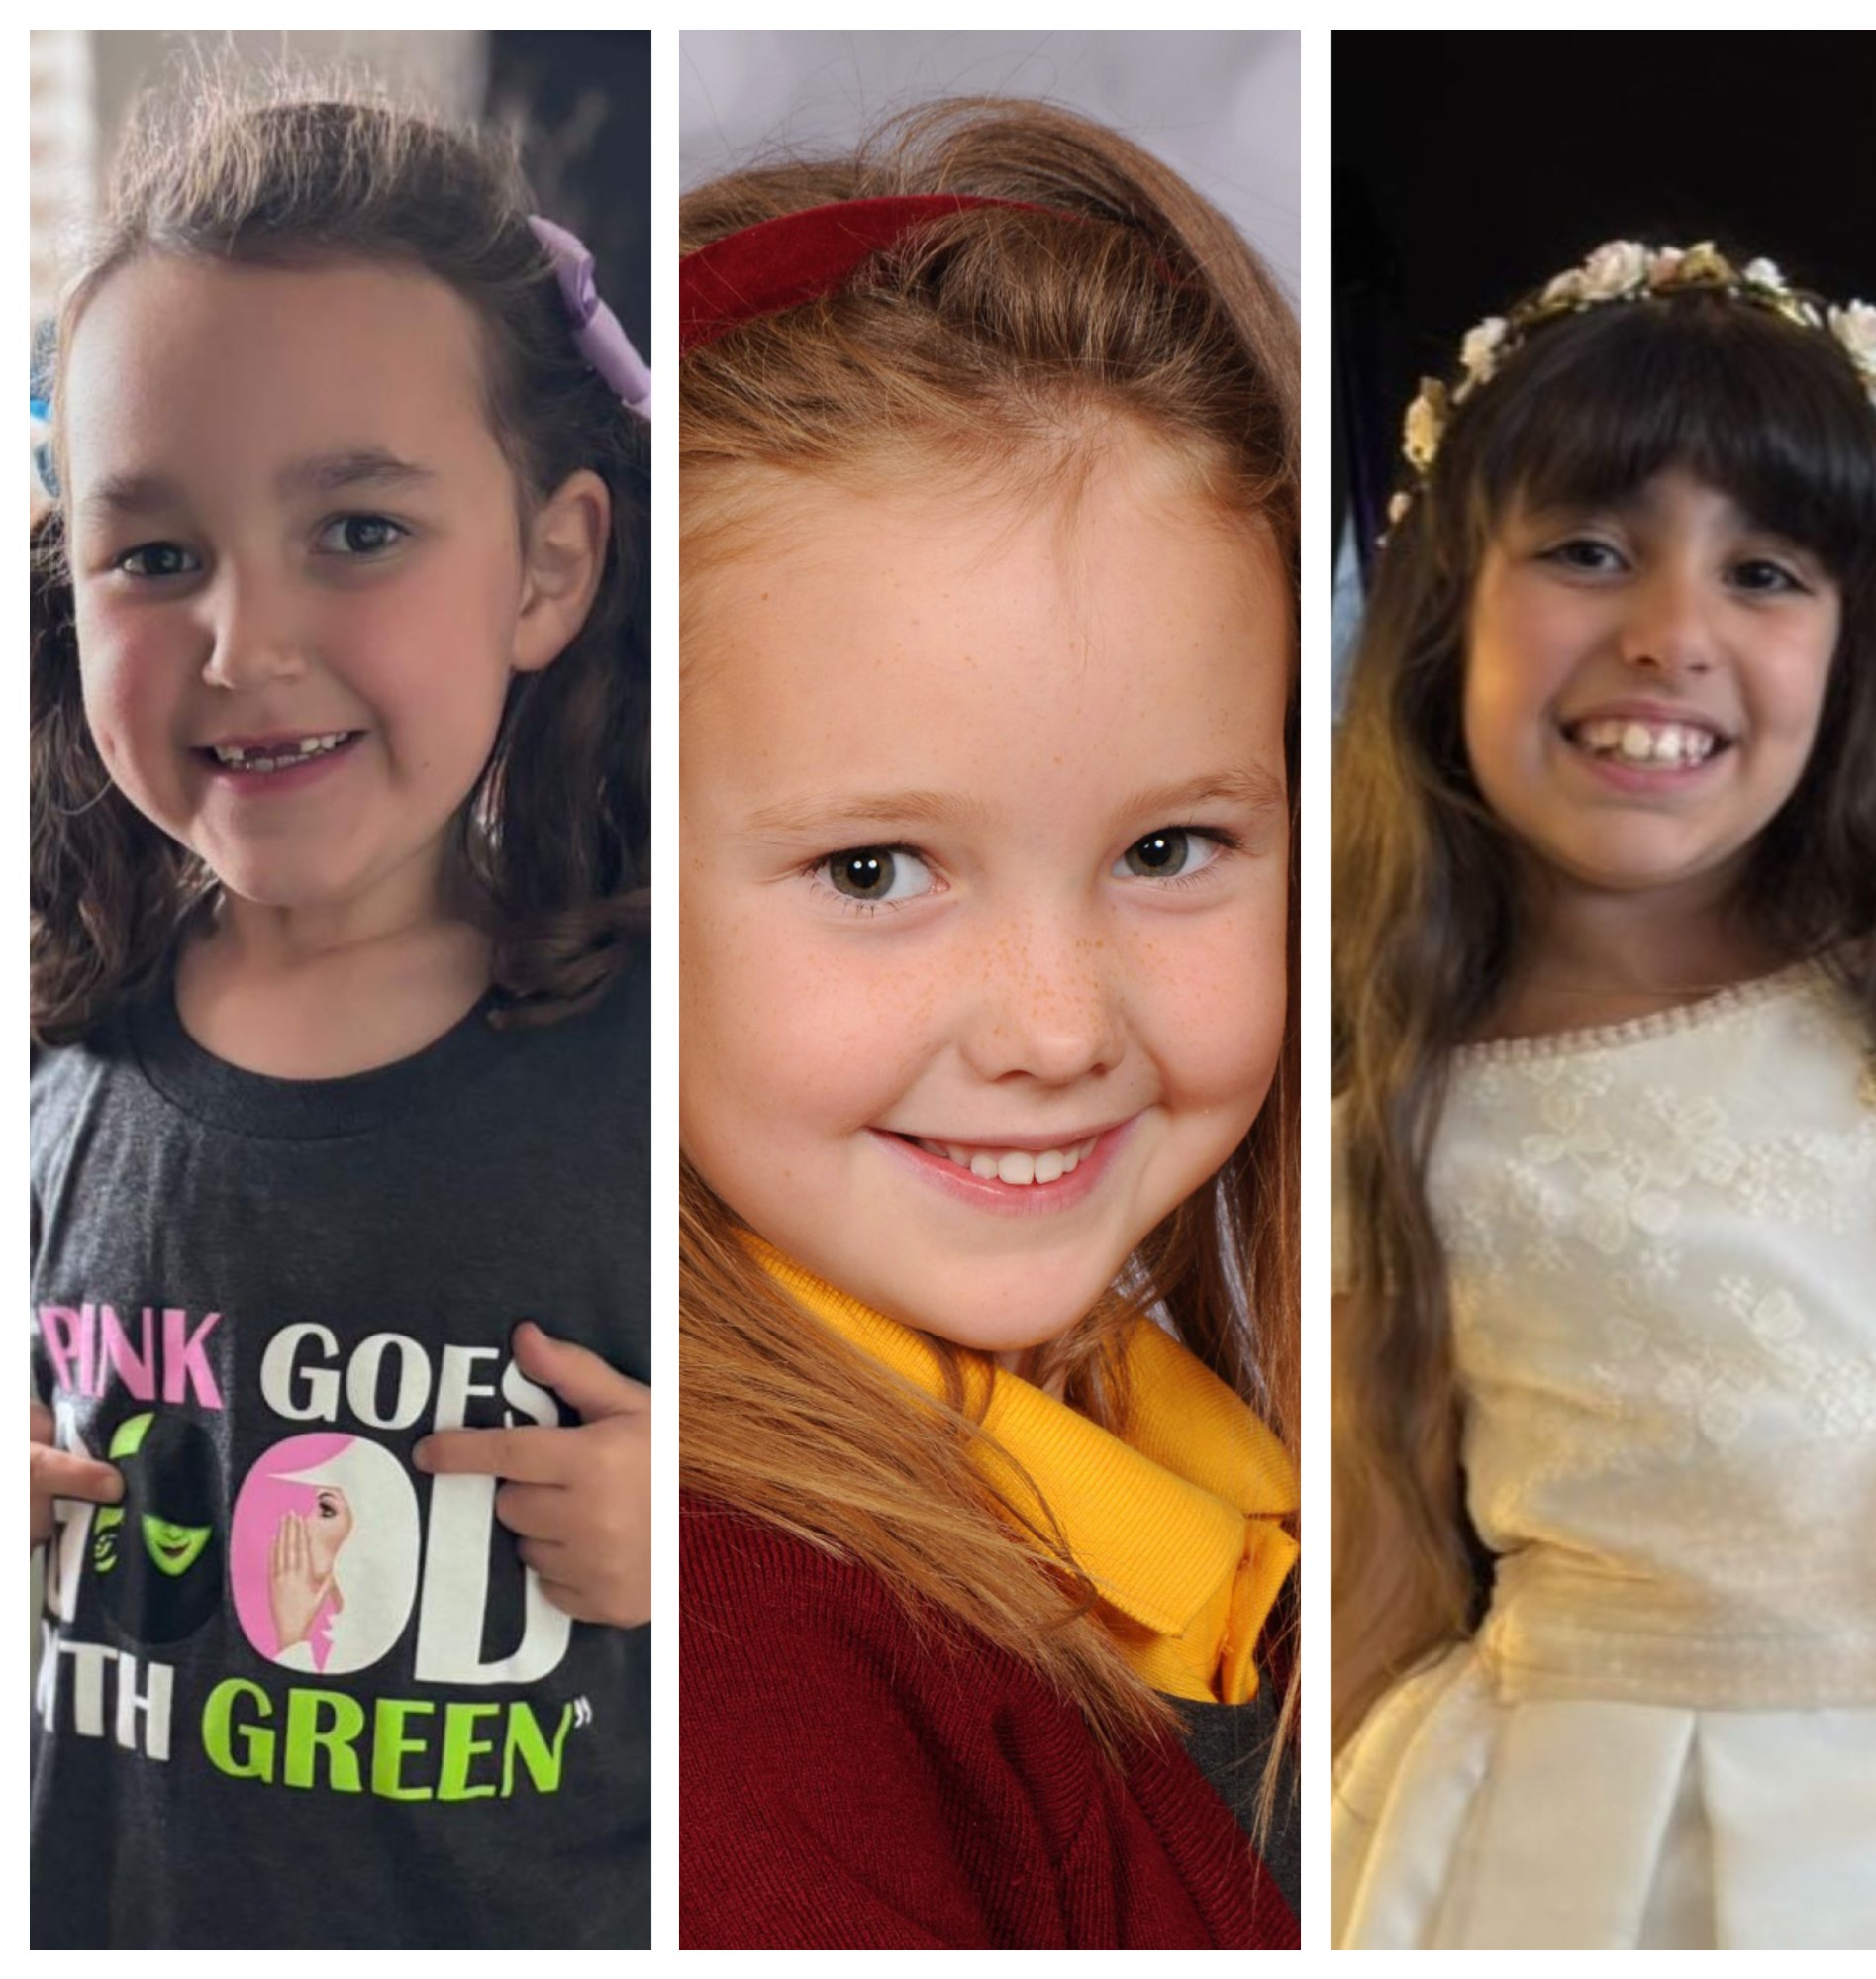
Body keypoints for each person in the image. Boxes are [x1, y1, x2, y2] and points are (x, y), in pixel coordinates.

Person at [27, 73, 651, 1950]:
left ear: (549, 566)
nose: (243, 644)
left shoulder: (665, 1063)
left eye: (359, 532)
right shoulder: (60, 1046)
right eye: (152, 558)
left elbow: (891, 1513)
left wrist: (695, 1537)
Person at [679, 99, 1301, 1948]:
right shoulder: (729, 1676)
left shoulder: (1176, 1434)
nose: (1053, 1030)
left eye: (1171, 848)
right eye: (876, 872)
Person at [1331, 240, 1876, 1949]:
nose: (1672, 636)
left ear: (1851, 643)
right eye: (1590, 552)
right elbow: (1376, 1577)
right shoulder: (1390, 1105)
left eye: (1766, 574)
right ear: (1448, 593)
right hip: (1602, 1853)